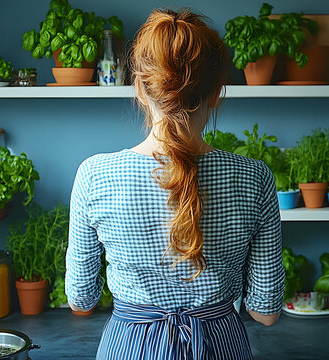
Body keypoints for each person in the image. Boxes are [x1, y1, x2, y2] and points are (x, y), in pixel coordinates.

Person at [66, 9, 285, 360]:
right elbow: (266, 312)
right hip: (221, 347)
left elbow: (81, 301)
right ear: (216, 93)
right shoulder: (254, 177)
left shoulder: (94, 175)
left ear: (140, 88)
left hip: (129, 348)